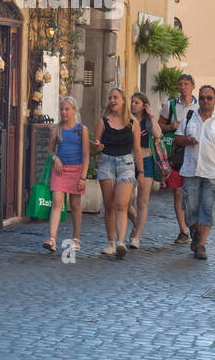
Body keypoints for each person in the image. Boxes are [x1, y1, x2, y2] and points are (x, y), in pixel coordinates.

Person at [172, 85, 215, 260]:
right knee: (190, 209)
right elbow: (177, 138)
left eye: (209, 98)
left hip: (213, 173)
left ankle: (201, 244)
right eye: (202, 98)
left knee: (208, 210)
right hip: (190, 171)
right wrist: (186, 140)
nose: (205, 101)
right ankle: (195, 231)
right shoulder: (190, 117)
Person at [93, 88, 143, 259]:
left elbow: (137, 150)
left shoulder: (133, 123)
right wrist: (97, 146)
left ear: (123, 100)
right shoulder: (102, 122)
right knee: (109, 206)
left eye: (115, 97)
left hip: (127, 164)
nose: (112, 100)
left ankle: (121, 242)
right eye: (110, 98)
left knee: (121, 204)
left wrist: (141, 172)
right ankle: (111, 242)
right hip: (107, 163)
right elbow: (96, 143)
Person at [45, 96, 89, 254]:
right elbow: (50, 151)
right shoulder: (56, 129)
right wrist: (54, 158)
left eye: (67, 109)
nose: (63, 112)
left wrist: (83, 177)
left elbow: (86, 155)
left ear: (74, 111)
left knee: (76, 206)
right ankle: (52, 239)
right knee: (57, 202)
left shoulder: (81, 130)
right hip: (60, 171)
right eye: (62, 109)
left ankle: (76, 239)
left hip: (76, 171)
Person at [158, 73, 197, 244]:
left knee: (194, 193)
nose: (183, 87)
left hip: (194, 154)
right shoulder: (170, 105)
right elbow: (159, 126)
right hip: (176, 155)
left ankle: (194, 227)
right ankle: (183, 231)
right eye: (180, 84)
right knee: (178, 193)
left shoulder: (198, 106)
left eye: (186, 84)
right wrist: (170, 126)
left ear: (193, 86)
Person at [125, 92, 164, 248]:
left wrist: (153, 116)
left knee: (142, 201)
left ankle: (137, 237)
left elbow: (158, 134)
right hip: (129, 162)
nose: (133, 104)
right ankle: (136, 223)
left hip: (147, 161)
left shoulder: (148, 122)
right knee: (125, 202)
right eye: (132, 102)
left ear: (144, 106)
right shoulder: (127, 120)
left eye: (137, 102)